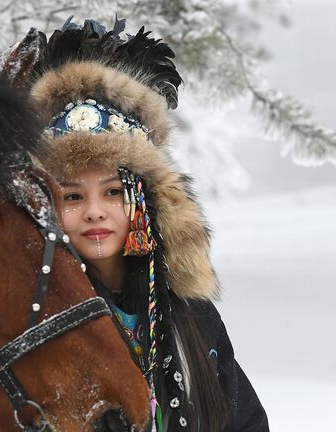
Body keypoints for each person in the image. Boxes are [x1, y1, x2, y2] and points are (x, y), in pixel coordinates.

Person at [26, 18, 270, 432]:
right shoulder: (26, 326)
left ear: (144, 200)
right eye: (72, 196)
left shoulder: (191, 316)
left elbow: (244, 422)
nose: (94, 211)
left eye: (112, 192)